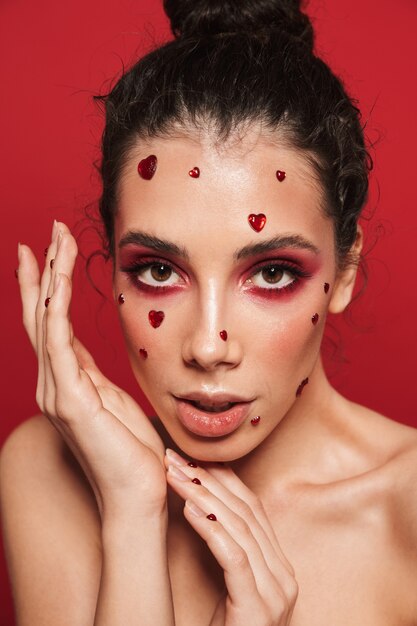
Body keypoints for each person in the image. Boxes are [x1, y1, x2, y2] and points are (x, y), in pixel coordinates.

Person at [1, 0, 417, 624]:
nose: (208, 346)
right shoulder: (51, 471)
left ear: (344, 271)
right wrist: (132, 511)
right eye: (159, 271)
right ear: (109, 262)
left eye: (272, 273)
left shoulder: (407, 511)